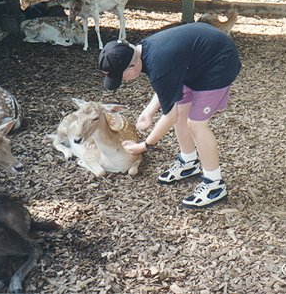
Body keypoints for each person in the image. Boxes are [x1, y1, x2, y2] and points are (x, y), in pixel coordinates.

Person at [98, 22, 241, 209]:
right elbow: (167, 84)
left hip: (219, 61)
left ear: (132, 66)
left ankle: (214, 185)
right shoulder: (143, 51)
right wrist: (149, 111)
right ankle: (189, 162)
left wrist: (144, 145)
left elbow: (169, 114)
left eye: (120, 77)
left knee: (196, 124)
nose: (122, 81)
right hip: (197, 62)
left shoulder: (158, 62)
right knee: (183, 113)